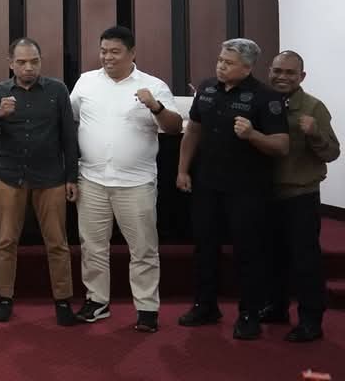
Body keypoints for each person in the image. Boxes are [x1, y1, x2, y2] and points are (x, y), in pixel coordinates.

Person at [69, 26, 181, 333]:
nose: (107, 57)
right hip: (91, 179)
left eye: (115, 52)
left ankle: (146, 308)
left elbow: (174, 127)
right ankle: (97, 301)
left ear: (132, 53)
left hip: (136, 183)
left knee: (143, 249)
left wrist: (155, 106)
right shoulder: (86, 82)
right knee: (92, 247)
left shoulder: (153, 85)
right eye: (103, 51)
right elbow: (70, 118)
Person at [176, 38, 289, 340]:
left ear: (247, 67)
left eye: (228, 63)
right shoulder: (207, 89)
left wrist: (252, 135)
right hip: (207, 184)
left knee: (248, 251)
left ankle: (249, 313)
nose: (221, 66)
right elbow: (193, 130)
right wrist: (183, 169)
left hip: (247, 189)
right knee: (204, 247)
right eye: (220, 60)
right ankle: (205, 306)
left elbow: (281, 145)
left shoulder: (266, 97)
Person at [0, 37, 80, 326]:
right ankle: (4, 298)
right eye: (22, 62)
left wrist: (71, 176)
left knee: (57, 242)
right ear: (11, 63)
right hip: (10, 175)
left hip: (51, 177)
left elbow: (69, 136)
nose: (28, 67)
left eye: (34, 61)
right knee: (5, 241)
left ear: (40, 61)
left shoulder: (57, 90)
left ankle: (63, 301)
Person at [262, 50, 338, 342]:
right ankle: (276, 308)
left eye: (290, 72)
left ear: (301, 76)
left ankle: (310, 320)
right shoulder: (263, 102)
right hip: (266, 195)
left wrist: (315, 133)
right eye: (278, 71)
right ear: (270, 71)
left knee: (305, 261)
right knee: (272, 257)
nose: (282, 77)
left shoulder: (313, 107)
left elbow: (332, 152)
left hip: (300, 195)